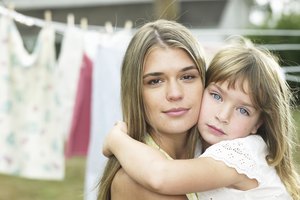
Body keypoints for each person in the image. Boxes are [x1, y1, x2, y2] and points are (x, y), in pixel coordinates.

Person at [103, 37, 300, 199]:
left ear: (258, 123)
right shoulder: (199, 148)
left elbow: (160, 175)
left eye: (243, 110)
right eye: (216, 96)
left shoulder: (242, 153)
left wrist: (116, 139)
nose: (222, 116)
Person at [97, 19, 206, 200]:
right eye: (155, 81)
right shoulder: (135, 182)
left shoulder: (219, 150)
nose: (175, 93)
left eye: (187, 76)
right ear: (135, 93)